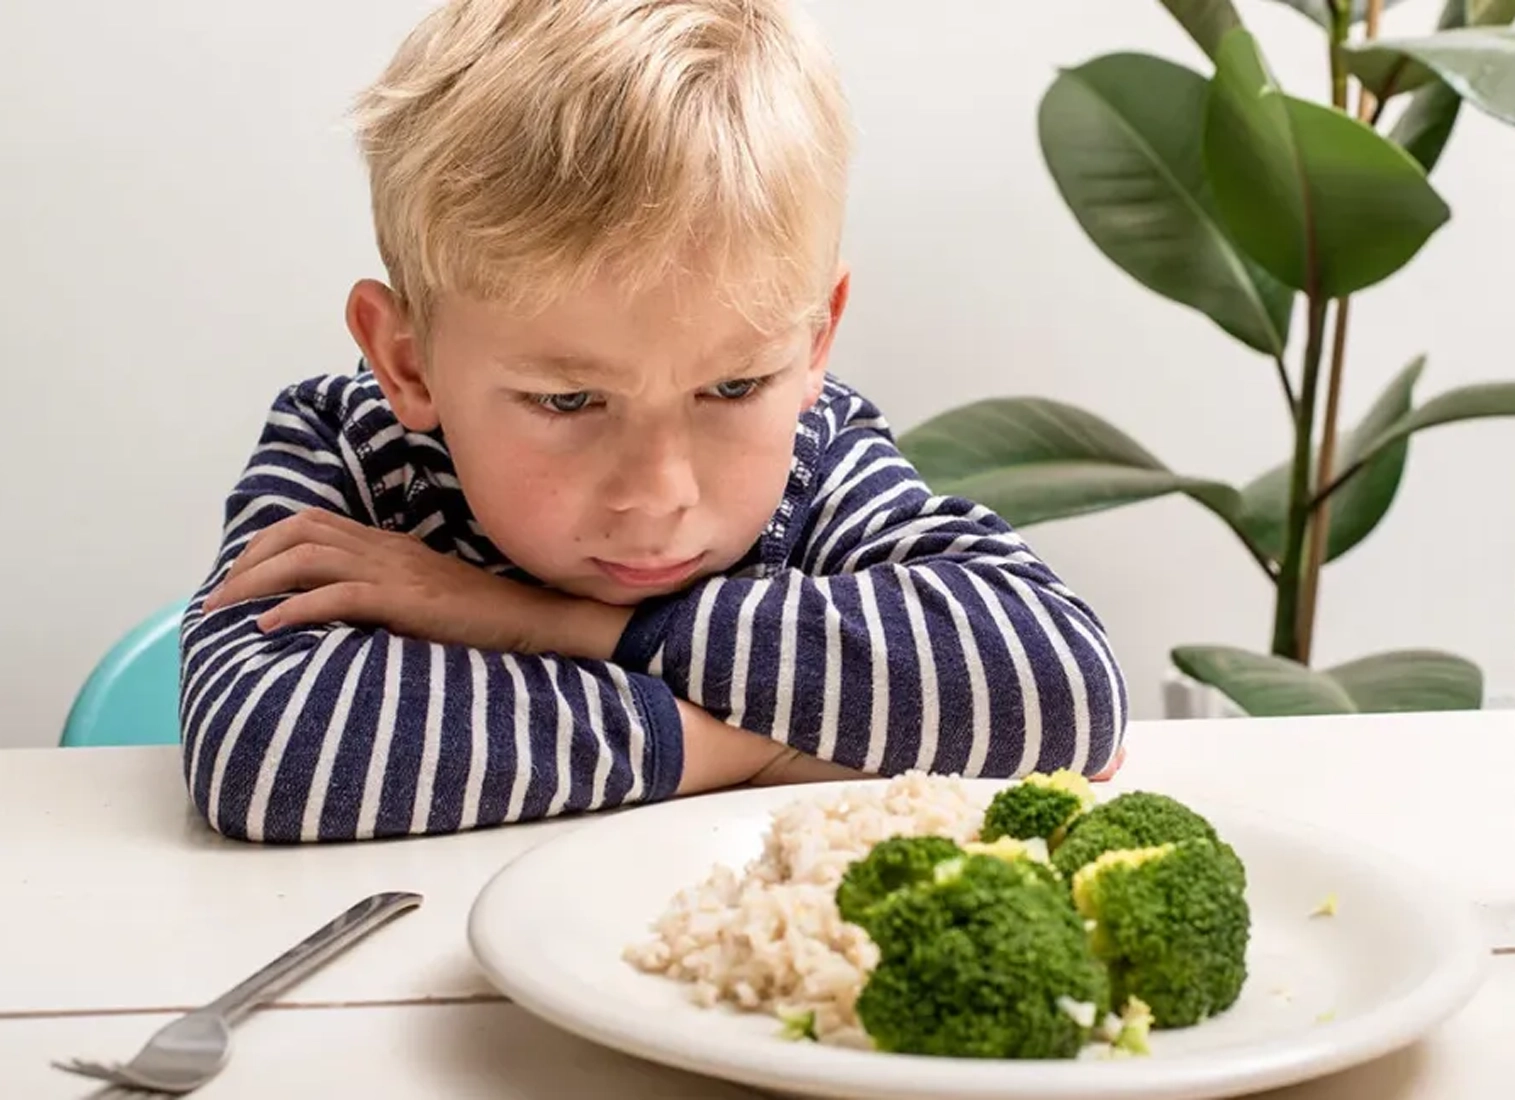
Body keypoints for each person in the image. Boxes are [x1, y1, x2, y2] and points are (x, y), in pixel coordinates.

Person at [178, 0, 1128, 843]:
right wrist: (741, 750)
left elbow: (1064, 686)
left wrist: (543, 624)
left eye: (732, 389)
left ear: (814, 340)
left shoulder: (818, 455)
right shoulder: (349, 452)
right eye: (567, 400)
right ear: (408, 361)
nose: (659, 496)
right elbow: (270, 755)